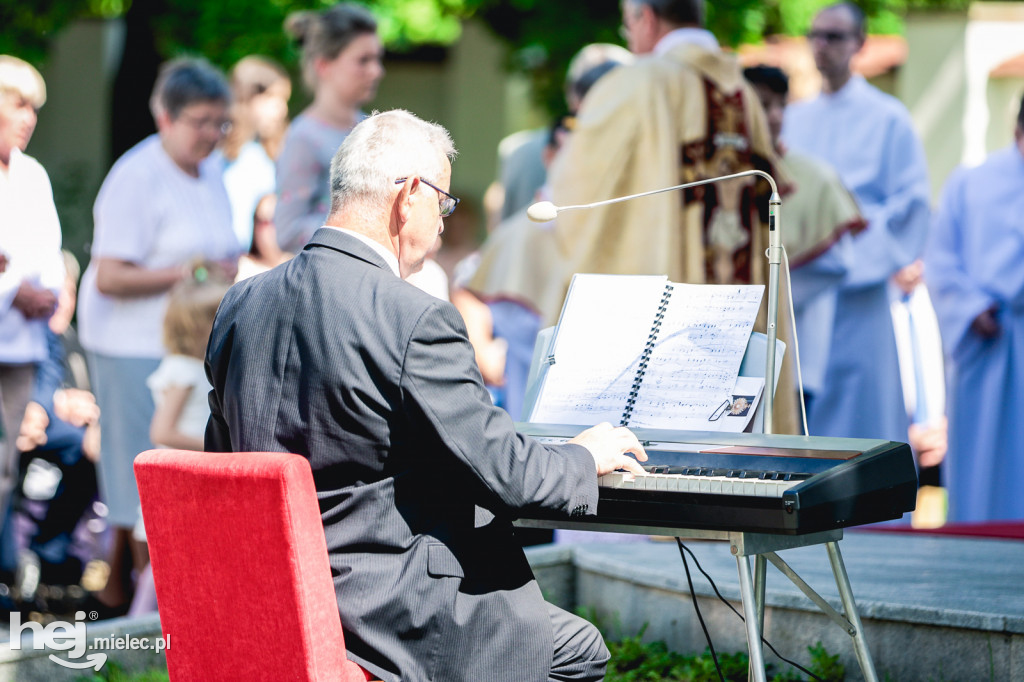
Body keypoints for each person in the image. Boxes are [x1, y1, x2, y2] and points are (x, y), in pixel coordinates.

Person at [205, 109, 648, 682]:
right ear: (409, 195)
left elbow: (225, 466)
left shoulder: (242, 303)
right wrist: (585, 455)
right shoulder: (414, 317)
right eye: (442, 203)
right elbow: (508, 475)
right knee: (575, 650)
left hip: (273, 594)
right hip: (389, 609)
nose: (442, 222)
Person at [547, 0, 796, 432]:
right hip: (742, 327)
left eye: (627, 25)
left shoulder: (637, 84)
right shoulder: (746, 95)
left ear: (645, 17)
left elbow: (574, 197)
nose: (629, 38)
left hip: (670, 339)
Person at [78, 57, 241, 615]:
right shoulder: (136, 174)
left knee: (170, 480)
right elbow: (110, 274)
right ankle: (140, 613)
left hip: (188, 345)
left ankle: (134, 595)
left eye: (222, 123)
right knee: (140, 479)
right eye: (201, 122)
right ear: (165, 117)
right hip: (130, 345)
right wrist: (190, 273)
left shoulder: (214, 171)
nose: (213, 135)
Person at [782, 2, 930, 442]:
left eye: (835, 37)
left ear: (859, 44)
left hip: (860, 298)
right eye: (816, 36)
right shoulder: (794, 117)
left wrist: (846, 259)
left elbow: (912, 206)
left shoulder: (888, 118)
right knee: (809, 423)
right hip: (805, 299)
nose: (822, 46)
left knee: (864, 421)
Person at [742, 65, 864, 421]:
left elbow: (838, 263)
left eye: (781, 104)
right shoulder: (724, 174)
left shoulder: (813, 175)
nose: (775, 115)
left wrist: (766, 296)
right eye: (763, 104)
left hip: (796, 347)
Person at [924, 95, 1024, 523]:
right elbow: (940, 260)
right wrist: (970, 308)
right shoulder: (972, 182)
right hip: (989, 338)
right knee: (986, 463)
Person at [0, 55, 65, 549]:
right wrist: (11, 290)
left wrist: (49, 295)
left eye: (35, 108)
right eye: (18, 103)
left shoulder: (32, 175)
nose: (29, 118)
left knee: (5, 467)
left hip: (21, 348)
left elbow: (48, 257)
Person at [275, 2, 384, 251]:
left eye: (378, 59)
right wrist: (362, 224)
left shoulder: (371, 127)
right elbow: (287, 233)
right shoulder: (304, 137)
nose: (376, 71)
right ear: (324, 65)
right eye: (363, 60)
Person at [214, 56, 292, 250]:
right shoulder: (214, 151)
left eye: (284, 100)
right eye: (272, 98)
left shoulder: (261, 157)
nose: (282, 110)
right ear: (246, 97)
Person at [236, 193, 292, 281]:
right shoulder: (244, 268)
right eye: (259, 220)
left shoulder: (300, 265)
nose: (263, 229)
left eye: (271, 220)